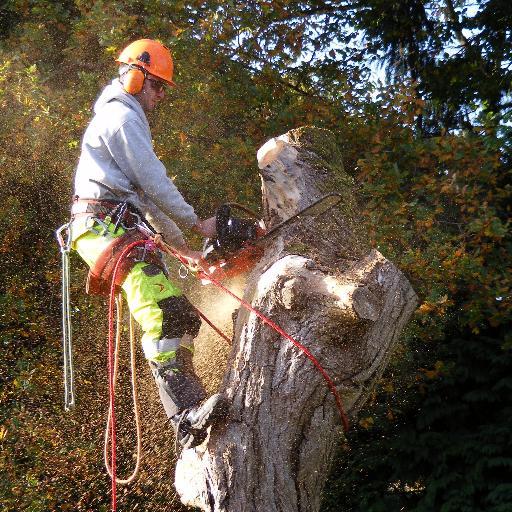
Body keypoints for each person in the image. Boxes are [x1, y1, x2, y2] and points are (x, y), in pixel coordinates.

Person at [69, 38, 227, 449]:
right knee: (162, 313)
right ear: (137, 76)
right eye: (157, 87)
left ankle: (192, 409)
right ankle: (186, 418)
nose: (159, 97)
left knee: (180, 314)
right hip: (103, 227)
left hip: (120, 225)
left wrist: (186, 251)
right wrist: (197, 223)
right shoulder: (121, 116)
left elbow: (146, 203)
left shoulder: (125, 117)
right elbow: (152, 179)